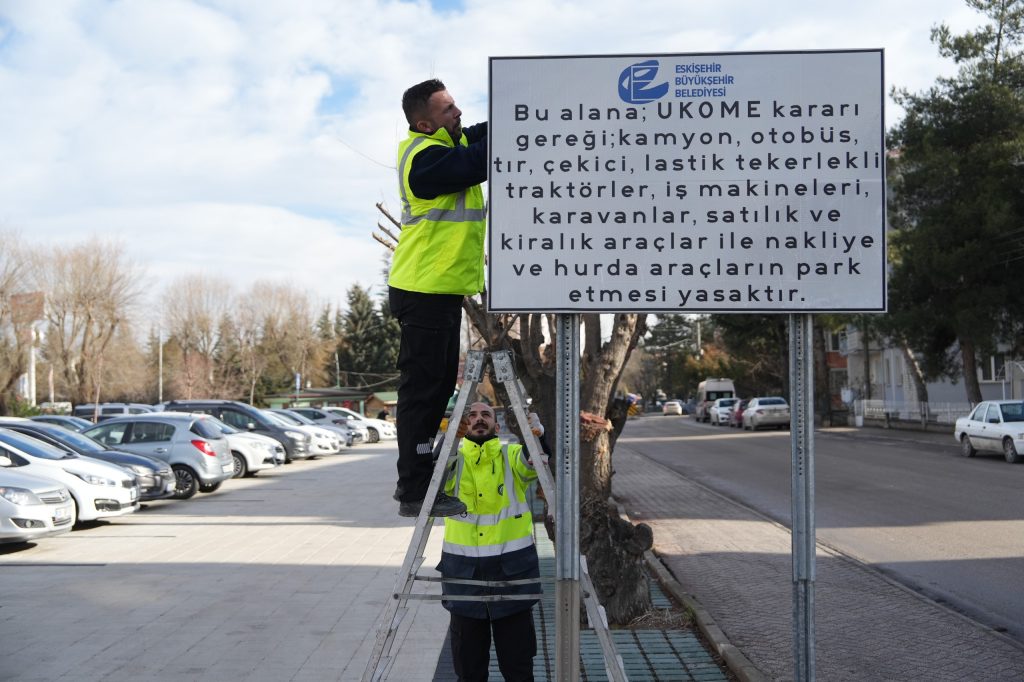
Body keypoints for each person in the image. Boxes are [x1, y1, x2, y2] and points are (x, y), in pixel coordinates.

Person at [389, 78, 487, 518]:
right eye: (448, 110)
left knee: (437, 388)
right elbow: (476, 159)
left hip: (439, 291)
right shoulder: (426, 161)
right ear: (425, 123)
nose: (458, 113)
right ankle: (413, 490)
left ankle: (421, 481)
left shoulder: (447, 141)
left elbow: (483, 133)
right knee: (423, 394)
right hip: (422, 289)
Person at [438, 402, 547, 682]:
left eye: (485, 415)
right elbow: (434, 477)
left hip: (512, 579)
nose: (478, 419)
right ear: (464, 426)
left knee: (518, 669)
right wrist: (450, 437)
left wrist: (535, 434)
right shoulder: (453, 459)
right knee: (469, 670)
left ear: (497, 427)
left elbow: (535, 461)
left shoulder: (510, 455)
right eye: (471, 415)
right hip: (465, 582)